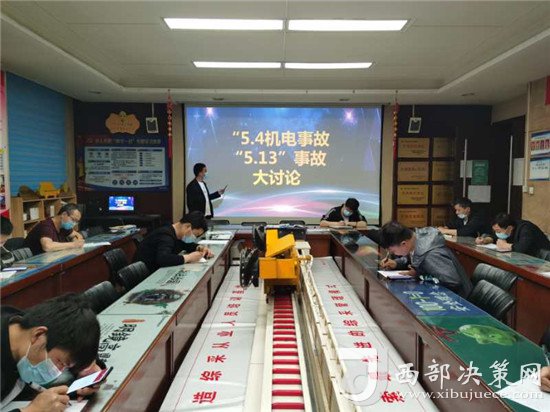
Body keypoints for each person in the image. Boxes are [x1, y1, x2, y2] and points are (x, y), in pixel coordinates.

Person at [1, 294, 103, 412]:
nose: (58, 372)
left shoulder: (24, 324)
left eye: (66, 367)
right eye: (60, 362)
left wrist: (85, 369)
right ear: (38, 335)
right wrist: (33, 410)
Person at [379, 221, 472, 298]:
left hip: (459, 300)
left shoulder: (430, 256)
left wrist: (420, 274)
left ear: (404, 243)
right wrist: (396, 263)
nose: (394, 254)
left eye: (393, 251)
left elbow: (453, 282)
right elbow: (415, 255)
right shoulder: (417, 238)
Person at [134, 211, 213, 273]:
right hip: (145, 277)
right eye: (195, 235)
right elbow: (163, 258)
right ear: (187, 226)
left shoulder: (175, 233)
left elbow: (185, 245)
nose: (194, 238)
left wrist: (199, 247)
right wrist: (189, 257)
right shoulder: (165, 236)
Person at [475, 213, 550, 257]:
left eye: (498, 231)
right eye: (495, 231)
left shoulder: (526, 229)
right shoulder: (508, 228)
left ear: (509, 228)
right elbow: (495, 237)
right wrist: (486, 240)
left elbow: (522, 248)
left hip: (542, 260)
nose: (497, 233)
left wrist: (506, 245)